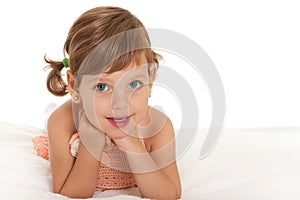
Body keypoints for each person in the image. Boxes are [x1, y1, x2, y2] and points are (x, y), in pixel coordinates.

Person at [32, 6, 181, 199]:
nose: (119, 104)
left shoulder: (158, 128)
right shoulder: (62, 123)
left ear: (150, 82)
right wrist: (90, 144)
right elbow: (68, 194)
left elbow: (170, 195)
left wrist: (133, 145)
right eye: (102, 87)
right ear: (74, 85)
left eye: (133, 84)